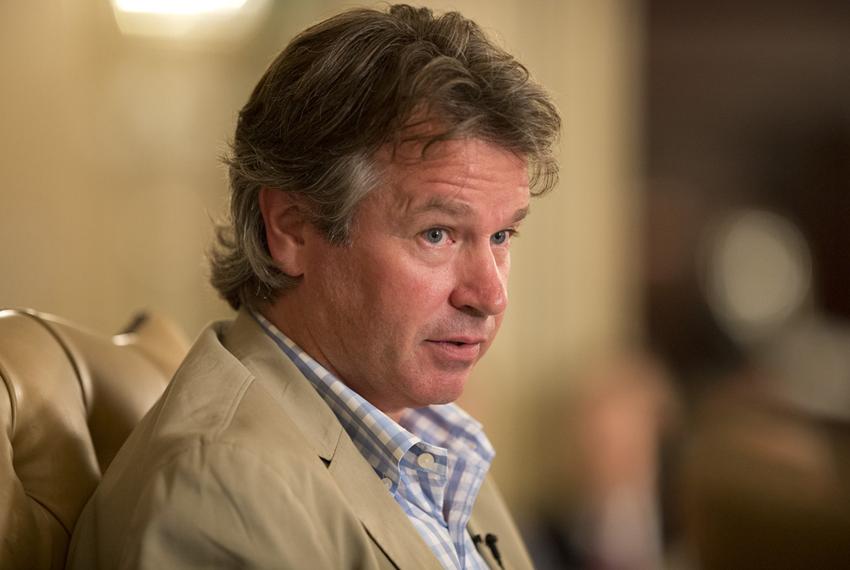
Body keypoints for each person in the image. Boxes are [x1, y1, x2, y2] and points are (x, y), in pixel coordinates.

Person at [68, 4, 560, 569]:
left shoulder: (437, 442)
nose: (490, 296)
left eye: (501, 235)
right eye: (437, 234)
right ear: (292, 229)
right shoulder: (219, 494)